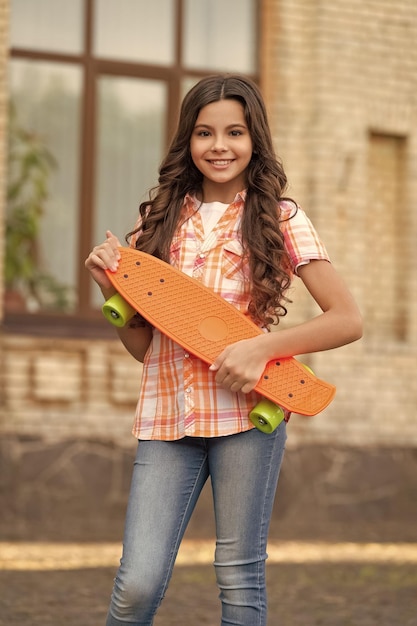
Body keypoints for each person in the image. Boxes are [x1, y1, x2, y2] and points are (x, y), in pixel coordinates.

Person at [85, 73, 362, 626]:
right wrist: (110, 292)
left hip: (246, 417)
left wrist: (261, 350)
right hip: (167, 418)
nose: (219, 146)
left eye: (234, 132)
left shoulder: (279, 217)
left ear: (253, 139)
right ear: (187, 141)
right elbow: (146, 349)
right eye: (205, 133)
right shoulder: (157, 223)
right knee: (136, 584)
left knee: (239, 577)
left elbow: (347, 319)